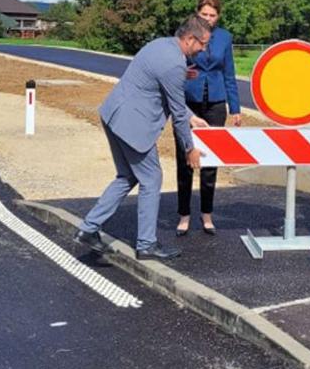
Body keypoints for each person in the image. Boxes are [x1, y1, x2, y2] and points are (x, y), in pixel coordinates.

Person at [74, 16, 212, 261]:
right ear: (190, 39)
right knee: (151, 178)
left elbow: (162, 90)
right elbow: (178, 113)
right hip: (133, 126)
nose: (203, 49)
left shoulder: (160, 45)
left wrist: (191, 117)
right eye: (202, 44)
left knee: (127, 176)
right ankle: (146, 244)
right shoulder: (174, 65)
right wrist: (189, 148)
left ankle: (88, 228)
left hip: (113, 115)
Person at [174, 0, 242, 236]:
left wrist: (235, 108)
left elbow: (229, 73)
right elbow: (176, 63)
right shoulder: (186, 34)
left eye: (212, 15)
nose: (209, 18)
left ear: (218, 16)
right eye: (204, 14)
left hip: (215, 102)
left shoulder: (224, 38)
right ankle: (184, 214)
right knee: (185, 159)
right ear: (197, 13)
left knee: (210, 162)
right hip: (188, 101)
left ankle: (207, 214)